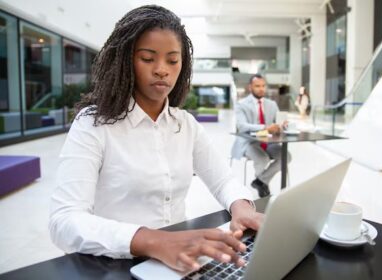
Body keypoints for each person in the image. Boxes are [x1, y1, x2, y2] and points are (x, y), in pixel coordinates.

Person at [49, 5, 264, 273]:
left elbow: (223, 180)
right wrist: (153, 240)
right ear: (125, 61)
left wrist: (241, 206)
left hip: (179, 263)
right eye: (148, 59)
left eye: (172, 61)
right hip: (113, 264)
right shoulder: (92, 124)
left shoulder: (185, 124)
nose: (162, 70)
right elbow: (64, 221)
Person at [231, 74, 291, 197]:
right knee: (262, 158)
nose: (261, 89)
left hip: (268, 142)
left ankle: (260, 181)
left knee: (286, 156)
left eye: (263, 86)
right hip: (248, 143)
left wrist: (282, 125)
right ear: (250, 87)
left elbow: (278, 123)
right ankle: (263, 184)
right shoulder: (241, 104)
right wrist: (265, 127)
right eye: (257, 86)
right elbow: (242, 126)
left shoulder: (272, 104)